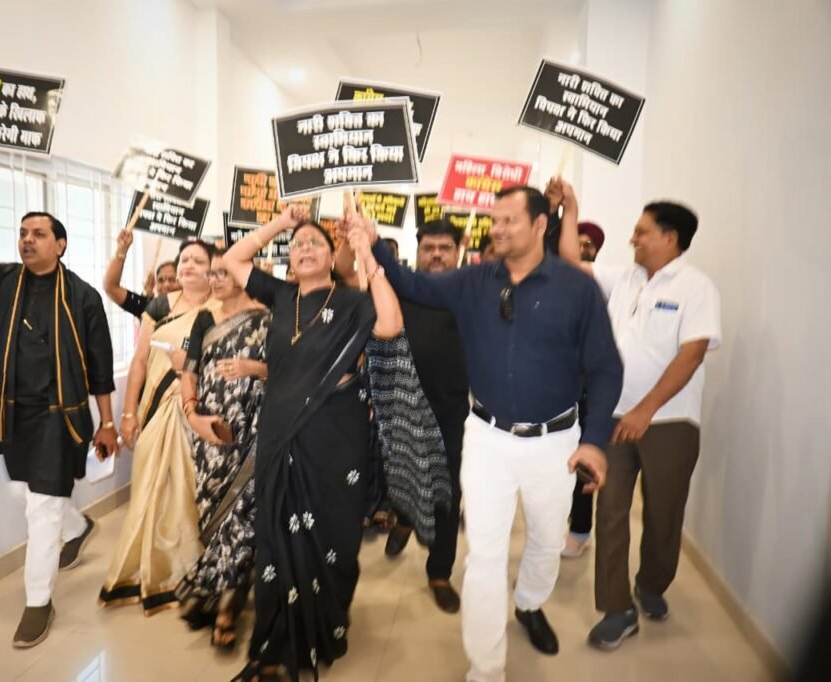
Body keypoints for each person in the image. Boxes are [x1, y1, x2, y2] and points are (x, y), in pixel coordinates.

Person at [367, 186, 624, 682]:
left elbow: (605, 367)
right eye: (494, 220)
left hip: (555, 443)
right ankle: (485, 669)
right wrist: (372, 241)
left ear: (540, 224)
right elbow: (410, 283)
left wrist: (594, 440)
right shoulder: (473, 280)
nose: (497, 228)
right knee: (484, 556)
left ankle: (528, 603)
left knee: (546, 541)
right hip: (486, 438)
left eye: (509, 220)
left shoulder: (577, 288)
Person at [224, 204, 447, 681]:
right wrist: (282, 223)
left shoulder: (350, 301)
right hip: (280, 433)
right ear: (289, 259)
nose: (305, 248)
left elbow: (390, 325)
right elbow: (234, 260)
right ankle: (276, 648)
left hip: (336, 436)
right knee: (276, 538)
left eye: (315, 243)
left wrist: (367, 253)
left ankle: (324, 627)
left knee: (333, 535)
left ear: (332, 256)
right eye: (297, 244)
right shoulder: (282, 295)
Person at [0, 201, 118, 648]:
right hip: (11, 411)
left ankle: (39, 602)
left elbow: (100, 367)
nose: (28, 240)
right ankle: (77, 528)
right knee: (22, 491)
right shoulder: (5, 280)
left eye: (38, 234)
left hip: (60, 415)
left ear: (60, 245)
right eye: (23, 233)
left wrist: (108, 423)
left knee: (42, 509)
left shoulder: (83, 297)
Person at [556, 190, 722, 649]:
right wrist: (570, 209)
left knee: (663, 514)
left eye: (642, 231)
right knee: (610, 511)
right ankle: (617, 609)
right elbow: (570, 260)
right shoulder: (624, 278)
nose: (633, 238)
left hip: (670, 422)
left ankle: (651, 583)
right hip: (611, 417)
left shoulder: (696, 287)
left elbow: (691, 354)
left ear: (670, 237)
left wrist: (645, 409)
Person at [339, 219, 469, 614]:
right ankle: (405, 519)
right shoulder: (396, 286)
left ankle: (439, 573)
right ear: (418, 250)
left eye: (445, 247)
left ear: (458, 251)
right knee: (398, 476)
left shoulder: (470, 293)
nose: (437, 254)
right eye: (429, 247)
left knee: (446, 492)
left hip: (450, 413)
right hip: (397, 407)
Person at [99, 239, 220, 614]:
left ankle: (187, 567)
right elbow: (140, 361)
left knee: (189, 488)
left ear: (213, 268)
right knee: (149, 484)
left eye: (198, 260)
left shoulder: (222, 308)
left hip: (198, 410)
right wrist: (129, 412)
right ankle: (145, 568)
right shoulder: (159, 306)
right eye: (184, 259)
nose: (188, 265)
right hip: (155, 409)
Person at [176, 251, 271, 650]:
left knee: (245, 516)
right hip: (210, 432)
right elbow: (189, 372)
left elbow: (290, 370)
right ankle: (218, 587)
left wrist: (255, 369)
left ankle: (228, 607)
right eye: (212, 273)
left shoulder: (269, 318)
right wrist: (192, 415)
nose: (215, 279)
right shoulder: (203, 319)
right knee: (214, 513)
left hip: (256, 432)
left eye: (223, 272)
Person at [561, 219, 607, 558]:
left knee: (583, 459)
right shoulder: (552, 283)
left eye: (588, 245)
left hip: (588, 386)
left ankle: (580, 528)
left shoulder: (604, 285)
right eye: (577, 242)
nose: (582, 248)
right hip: (556, 387)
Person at [103, 229, 182, 319]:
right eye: (160, 280)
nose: (166, 285)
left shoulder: (192, 308)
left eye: (173, 280)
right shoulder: (149, 307)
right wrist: (122, 249)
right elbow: (111, 287)